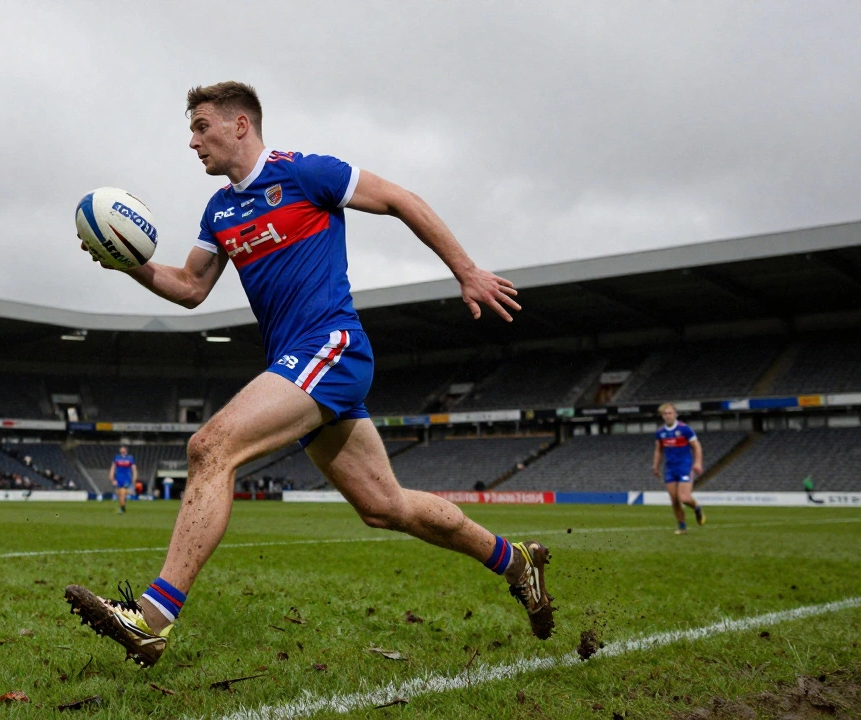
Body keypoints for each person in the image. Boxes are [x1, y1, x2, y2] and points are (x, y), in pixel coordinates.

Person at [65, 81, 552, 669]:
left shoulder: (306, 173)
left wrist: (466, 270)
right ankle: (514, 559)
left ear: (239, 124)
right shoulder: (219, 210)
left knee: (211, 446)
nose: (192, 141)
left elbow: (400, 199)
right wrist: (129, 261)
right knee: (385, 506)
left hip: (332, 346)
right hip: (297, 365)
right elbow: (191, 288)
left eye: (201, 127)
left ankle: (152, 618)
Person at [652, 402, 705, 534]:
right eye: (665, 414)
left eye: (670, 413)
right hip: (670, 468)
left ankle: (697, 507)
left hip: (684, 466)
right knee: (674, 500)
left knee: (684, 498)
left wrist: (697, 463)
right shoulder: (660, 433)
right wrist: (656, 466)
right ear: (662, 416)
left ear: (675, 414)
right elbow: (658, 450)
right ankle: (682, 527)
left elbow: (696, 446)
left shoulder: (685, 429)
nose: (667, 416)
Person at [109, 446, 137, 514]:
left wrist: (134, 477)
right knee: (119, 494)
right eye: (121, 450)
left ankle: (122, 509)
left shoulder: (130, 458)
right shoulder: (117, 458)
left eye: (123, 450)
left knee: (122, 493)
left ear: (126, 450)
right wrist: (112, 478)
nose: (122, 451)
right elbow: (113, 468)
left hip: (127, 478)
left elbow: (134, 469)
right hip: (118, 479)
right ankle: (123, 507)